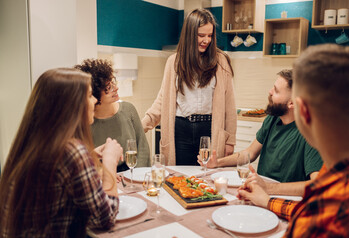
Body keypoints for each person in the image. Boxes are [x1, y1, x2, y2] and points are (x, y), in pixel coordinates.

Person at [239, 44, 349, 238]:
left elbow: (314, 218)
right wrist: (268, 201)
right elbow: (311, 207)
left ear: (302, 110)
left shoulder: (330, 218)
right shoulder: (342, 172)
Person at [0, 68, 122, 238]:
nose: (94, 100)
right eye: (88, 95)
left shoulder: (30, 144)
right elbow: (105, 217)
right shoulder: (72, 152)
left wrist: (90, 156)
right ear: (71, 104)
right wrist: (110, 161)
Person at [200, 70, 323, 196]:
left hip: (287, 200)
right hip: (261, 193)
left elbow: (318, 185)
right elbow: (249, 153)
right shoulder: (273, 119)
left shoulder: (310, 133)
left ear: (291, 103)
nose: (270, 92)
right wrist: (218, 162)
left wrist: (268, 188)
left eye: (276, 90)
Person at [142, 8, 237, 166]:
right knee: (180, 180)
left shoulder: (221, 61)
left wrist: (230, 141)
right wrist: (141, 125)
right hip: (180, 131)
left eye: (210, 35)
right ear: (189, 34)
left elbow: (230, 104)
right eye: (201, 35)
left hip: (209, 131)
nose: (206, 40)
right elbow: (162, 100)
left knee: (207, 180)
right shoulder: (174, 62)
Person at [75, 59, 150, 172]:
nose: (116, 88)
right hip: (102, 175)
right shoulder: (86, 121)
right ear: (94, 93)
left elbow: (143, 148)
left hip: (131, 172)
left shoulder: (128, 109)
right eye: (108, 87)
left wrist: (137, 177)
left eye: (113, 82)